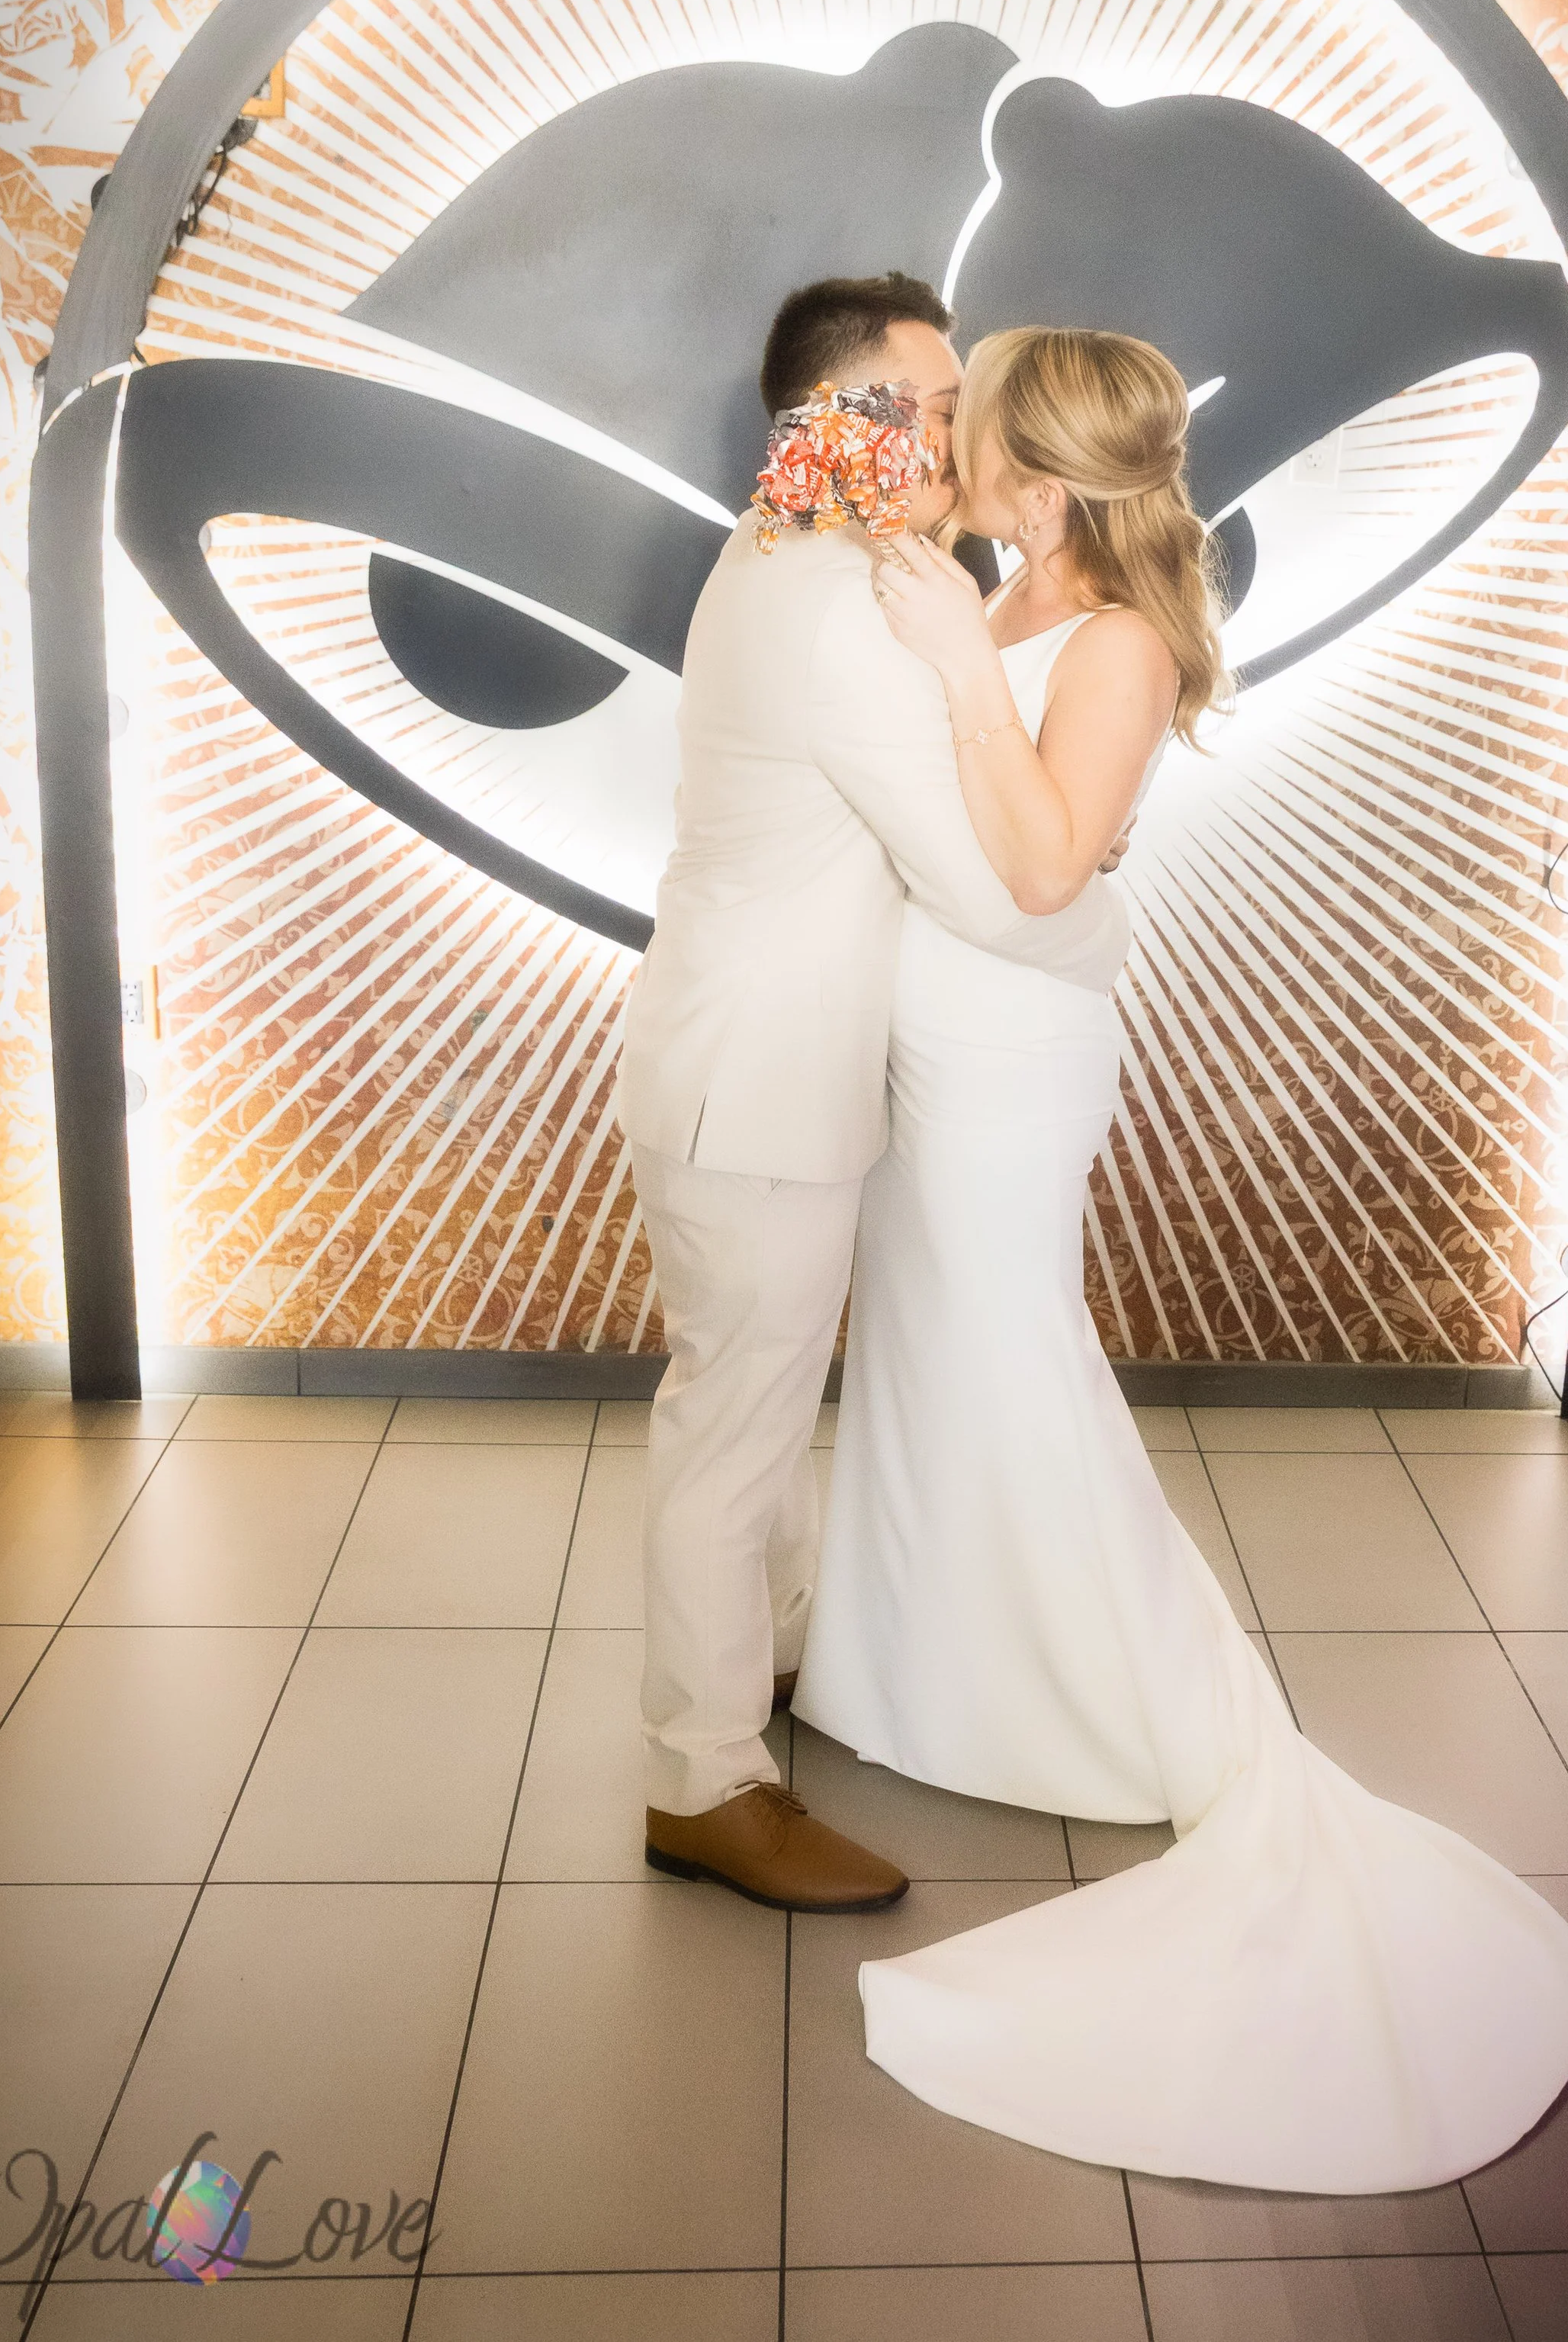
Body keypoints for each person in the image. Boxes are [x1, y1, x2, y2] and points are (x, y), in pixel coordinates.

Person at [793, 326, 1568, 2190]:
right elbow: (835, 570)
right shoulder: (991, 587)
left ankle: (1115, 1707)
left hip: (1006, 1050)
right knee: (922, 1353)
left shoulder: (1117, 643)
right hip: (918, 1030)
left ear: (1043, 473)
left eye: (975, 427)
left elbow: (1044, 869)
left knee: (1007, 1355)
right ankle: (918, 1682)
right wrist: (888, 543)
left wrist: (957, 670)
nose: (946, 447)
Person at [616, 278, 1130, 1913]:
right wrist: (1098, 902)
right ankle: (703, 1780)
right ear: (836, 421)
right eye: (932, 407)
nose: (958, 439)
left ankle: (764, 1663)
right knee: (734, 1432)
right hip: (755, 1084)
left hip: (738, 1063)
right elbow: (990, 889)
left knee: (754, 1420)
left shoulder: (796, 551)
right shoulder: (837, 602)